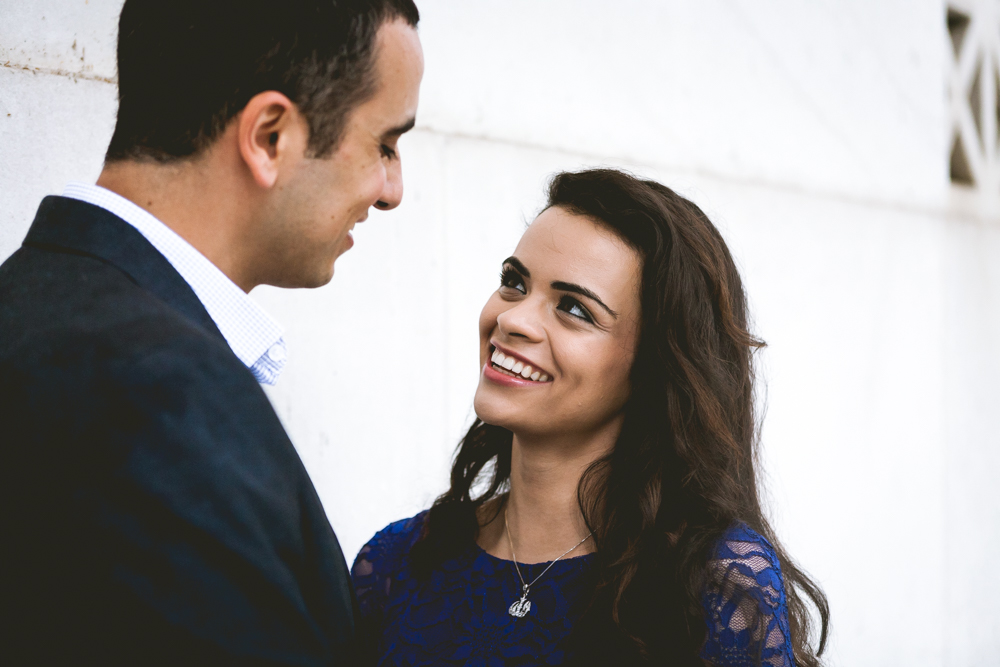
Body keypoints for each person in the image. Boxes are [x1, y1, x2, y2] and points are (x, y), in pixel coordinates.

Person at [0, 0, 422, 664]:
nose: (393, 189)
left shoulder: (29, 304)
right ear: (269, 137)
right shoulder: (160, 391)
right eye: (386, 144)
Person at [352, 169, 830, 666]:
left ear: (653, 368)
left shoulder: (713, 588)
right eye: (514, 282)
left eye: (574, 309)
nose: (511, 319)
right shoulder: (396, 564)